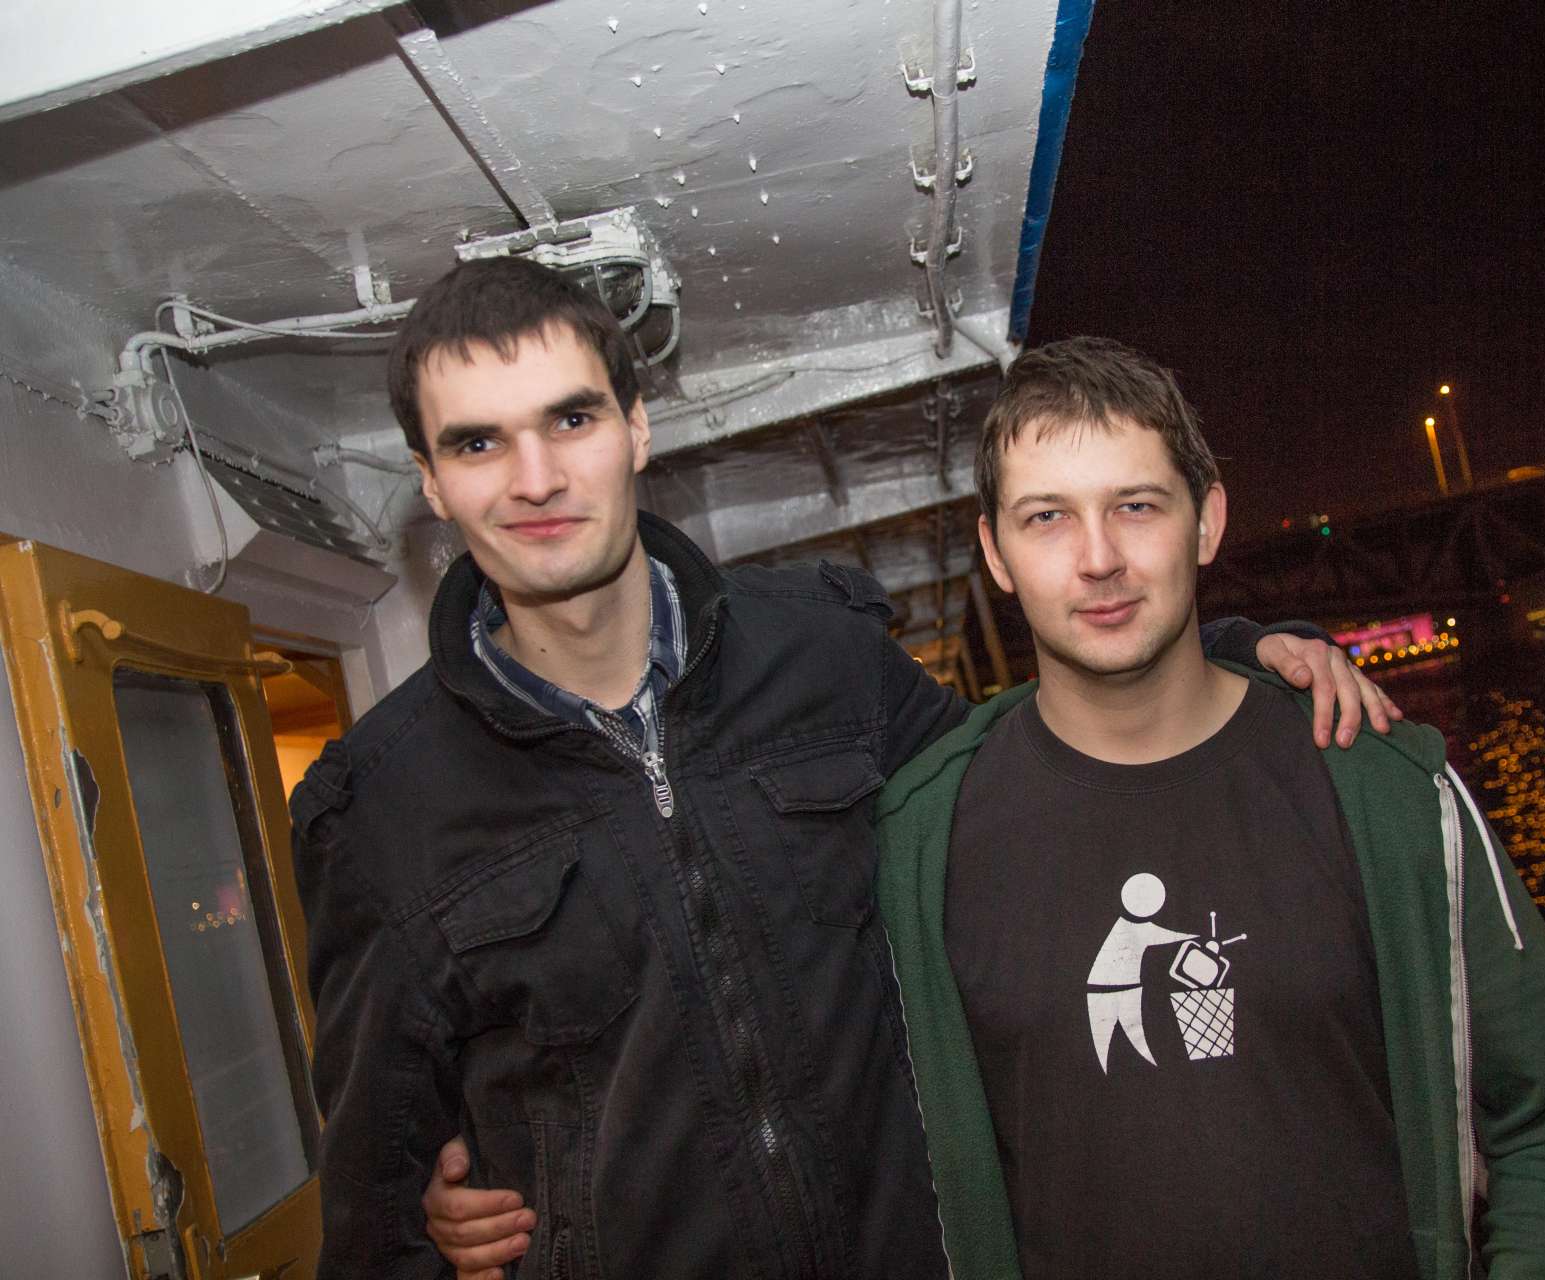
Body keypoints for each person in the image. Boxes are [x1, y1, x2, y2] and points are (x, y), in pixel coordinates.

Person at [292, 259, 1396, 1278]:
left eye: (571, 419)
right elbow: (378, 1214)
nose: (536, 479)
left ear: (635, 427)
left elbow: (1027, 758)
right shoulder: (382, 810)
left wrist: (1233, 653)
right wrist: (444, 1213)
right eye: (478, 444)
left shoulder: (820, 653)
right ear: (430, 482)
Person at [865, 337, 1545, 1278]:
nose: (1098, 559)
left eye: (1137, 506)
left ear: (1207, 522)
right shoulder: (922, 845)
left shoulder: (1379, 786)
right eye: (1048, 518)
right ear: (995, 552)